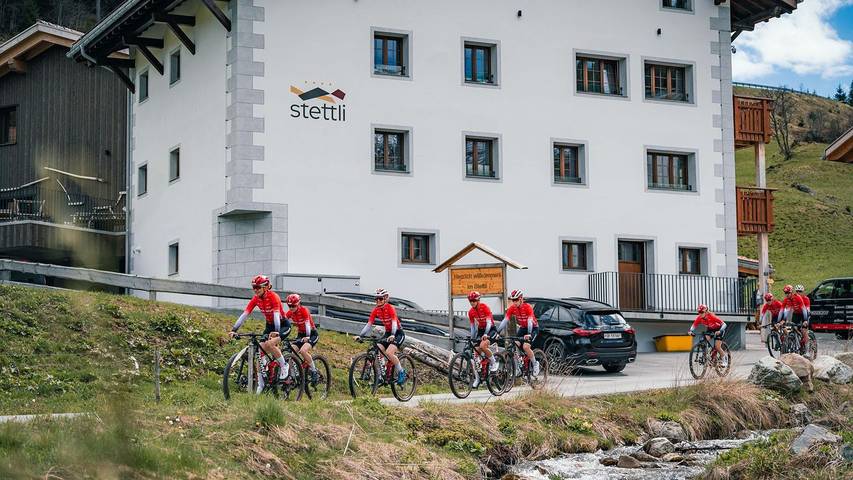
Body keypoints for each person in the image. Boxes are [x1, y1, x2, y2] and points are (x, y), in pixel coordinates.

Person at [229, 275, 292, 393]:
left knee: (271, 343)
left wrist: (276, 332)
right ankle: (261, 385)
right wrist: (234, 329)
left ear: (265, 287)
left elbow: (276, 315)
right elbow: (245, 314)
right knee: (259, 352)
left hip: (282, 325)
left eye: (258, 287)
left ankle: (284, 366)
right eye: (254, 287)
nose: (256, 289)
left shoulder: (273, 297)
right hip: (269, 326)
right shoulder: (256, 299)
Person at [355, 288, 407, 385]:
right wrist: (360, 335)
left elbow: (394, 322)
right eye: (376, 299)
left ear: (386, 299)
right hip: (388, 333)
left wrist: (392, 334)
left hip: (398, 333)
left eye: (380, 299)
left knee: (389, 352)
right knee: (377, 352)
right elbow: (369, 324)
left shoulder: (390, 307)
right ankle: (380, 375)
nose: (378, 301)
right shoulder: (376, 310)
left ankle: (401, 372)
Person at [496, 289, 540, 376]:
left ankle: (535, 364)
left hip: (533, 328)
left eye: (516, 300)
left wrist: (529, 333)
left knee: (526, 347)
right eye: (513, 300)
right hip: (523, 328)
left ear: (521, 299)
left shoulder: (527, 307)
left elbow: (530, 321)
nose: (514, 302)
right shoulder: (512, 308)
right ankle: (518, 367)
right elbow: (505, 320)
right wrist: (498, 332)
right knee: (514, 345)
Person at [284, 293, 320, 385]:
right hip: (300, 335)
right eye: (289, 306)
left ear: (298, 304)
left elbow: (307, 324)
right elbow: (283, 320)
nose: (291, 308)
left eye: (293, 306)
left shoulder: (304, 310)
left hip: (311, 334)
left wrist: (307, 337)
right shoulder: (290, 312)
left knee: (303, 351)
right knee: (292, 353)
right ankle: (293, 376)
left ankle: (314, 370)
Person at [467, 291, 498, 388]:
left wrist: (486, 334)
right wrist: (472, 338)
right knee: (475, 354)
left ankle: (494, 363)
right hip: (481, 330)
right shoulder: (471, 312)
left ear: (478, 300)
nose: (472, 302)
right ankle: (477, 378)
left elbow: (489, 323)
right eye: (470, 301)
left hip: (490, 329)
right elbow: (472, 327)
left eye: (474, 300)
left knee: (483, 345)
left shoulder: (484, 307)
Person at [781, 284, 809, 353]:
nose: (798, 292)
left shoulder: (805, 298)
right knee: (793, 327)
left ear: (803, 292)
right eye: (797, 291)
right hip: (796, 314)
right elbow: (787, 310)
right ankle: (796, 341)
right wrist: (783, 320)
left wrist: (805, 320)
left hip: (804, 313)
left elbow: (806, 309)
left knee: (803, 329)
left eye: (800, 291)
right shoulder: (792, 298)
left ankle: (807, 347)